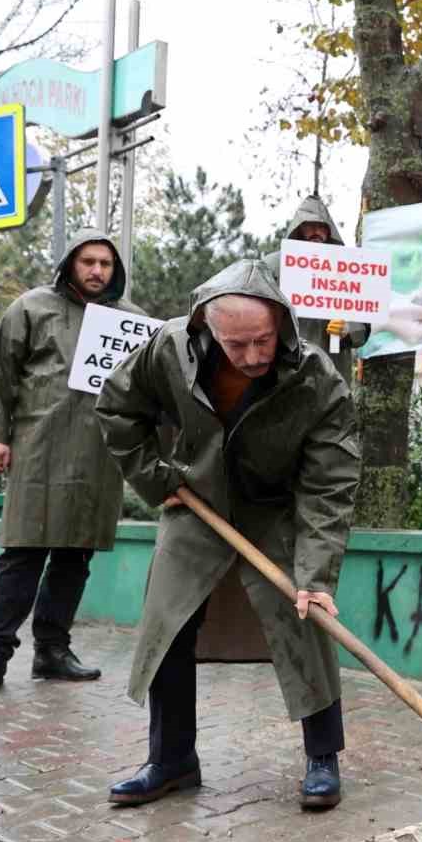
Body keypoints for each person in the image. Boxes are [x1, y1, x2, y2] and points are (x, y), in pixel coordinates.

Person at [96, 260, 359, 810]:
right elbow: (119, 407)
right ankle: (171, 762)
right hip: (198, 501)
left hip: (275, 510)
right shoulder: (168, 348)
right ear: (206, 330)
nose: (253, 356)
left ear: (281, 324)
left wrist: (315, 573)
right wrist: (153, 477)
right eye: (236, 345)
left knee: (304, 616)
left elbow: (329, 482)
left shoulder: (315, 377)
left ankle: (322, 757)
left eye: (262, 340)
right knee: (167, 625)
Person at [0, 230, 146, 696]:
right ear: (70, 263)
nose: (97, 271)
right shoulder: (30, 307)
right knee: (22, 552)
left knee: (74, 555)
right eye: (88, 261)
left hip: (98, 453)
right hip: (37, 447)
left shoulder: (132, 322)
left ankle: (52, 651)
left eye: (105, 263)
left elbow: (150, 387)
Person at [264, 195, 422, 380]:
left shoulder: (349, 267)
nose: (316, 231)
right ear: (299, 228)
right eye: (309, 225)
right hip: (286, 369)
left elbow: (364, 323)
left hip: (331, 371)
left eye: (322, 227)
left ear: (330, 232)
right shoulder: (275, 266)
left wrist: (348, 328)